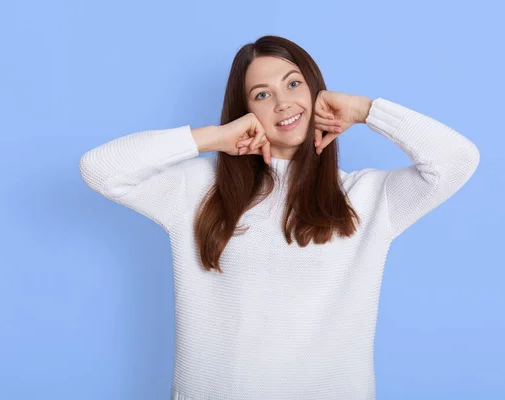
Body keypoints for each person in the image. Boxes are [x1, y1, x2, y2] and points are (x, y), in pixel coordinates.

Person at [79, 35, 480, 400]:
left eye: (293, 84)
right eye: (261, 94)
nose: (283, 103)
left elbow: (458, 160)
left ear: (315, 90)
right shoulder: (199, 189)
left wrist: (365, 110)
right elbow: (99, 169)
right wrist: (213, 137)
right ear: (244, 111)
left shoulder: (366, 197)